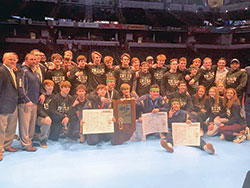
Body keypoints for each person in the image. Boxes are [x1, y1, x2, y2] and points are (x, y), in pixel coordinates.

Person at [17, 53, 44, 151]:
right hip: (26, 103)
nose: (34, 61)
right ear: (26, 60)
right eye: (31, 59)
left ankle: (29, 141)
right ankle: (25, 144)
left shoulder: (35, 72)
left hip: (34, 102)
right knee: (25, 125)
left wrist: (42, 94)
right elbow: (20, 87)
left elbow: (39, 85)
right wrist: (26, 99)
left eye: (35, 59)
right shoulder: (22, 71)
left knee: (31, 124)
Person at [0, 52, 19, 161]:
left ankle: (7, 145)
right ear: (4, 59)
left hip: (12, 104)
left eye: (14, 60)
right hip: (3, 105)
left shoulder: (12, 71)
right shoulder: (2, 71)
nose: (12, 61)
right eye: (10, 59)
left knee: (11, 128)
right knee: (1, 129)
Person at [36, 80, 54, 148]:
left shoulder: (54, 97)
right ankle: (42, 140)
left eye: (51, 86)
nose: (50, 87)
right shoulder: (41, 97)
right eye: (48, 86)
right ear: (44, 87)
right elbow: (39, 110)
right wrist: (46, 116)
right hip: (41, 117)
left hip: (51, 117)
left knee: (54, 137)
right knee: (47, 122)